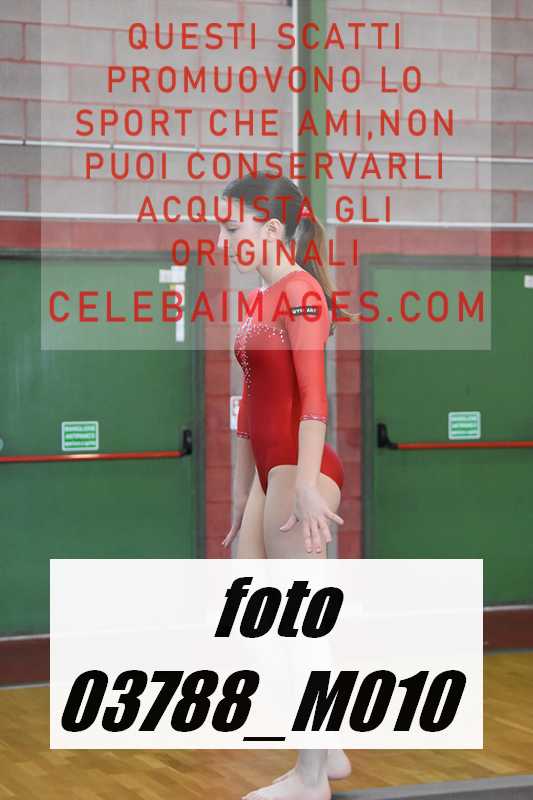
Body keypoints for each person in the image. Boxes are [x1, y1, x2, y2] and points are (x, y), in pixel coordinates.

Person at [218, 173, 358, 800]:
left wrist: (304, 484)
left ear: (272, 228)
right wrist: (238, 493)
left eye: (233, 228)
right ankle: (329, 747)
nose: (223, 240)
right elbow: (249, 404)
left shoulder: (302, 294)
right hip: (268, 473)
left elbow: (314, 399)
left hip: (302, 470)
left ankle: (310, 776)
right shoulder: (259, 300)